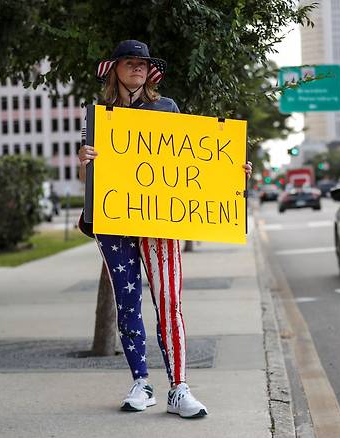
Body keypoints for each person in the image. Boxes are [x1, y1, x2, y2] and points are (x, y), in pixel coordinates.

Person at [78, 40, 252, 419]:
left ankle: (179, 387)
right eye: (130, 62)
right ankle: (141, 382)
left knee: (169, 302)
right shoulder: (99, 116)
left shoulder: (165, 107)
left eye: (143, 63)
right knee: (128, 304)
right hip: (114, 221)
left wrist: (230, 173)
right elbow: (87, 180)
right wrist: (84, 162)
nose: (138, 68)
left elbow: (186, 164)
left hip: (159, 220)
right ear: (115, 70)